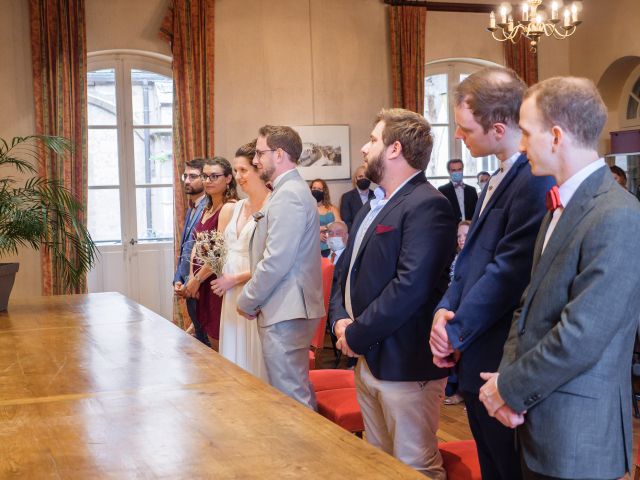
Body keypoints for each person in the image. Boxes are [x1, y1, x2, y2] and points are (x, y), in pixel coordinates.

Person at [479, 77, 640, 480]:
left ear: (555, 136)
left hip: (578, 437)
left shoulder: (618, 214)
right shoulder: (558, 207)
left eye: (526, 133)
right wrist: (507, 381)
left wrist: (508, 390)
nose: (520, 145)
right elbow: (528, 307)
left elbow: (581, 336)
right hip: (537, 422)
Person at [429, 66, 553, 480]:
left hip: (500, 352)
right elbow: (468, 261)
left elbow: (509, 270)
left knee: (507, 467)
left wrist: (456, 329)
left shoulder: (533, 180)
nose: (459, 137)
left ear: (498, 129)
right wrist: (445, 310)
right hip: (476, 347)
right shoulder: (499, 175)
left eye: (464, 129)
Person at [330, 108, 456, 478]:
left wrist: (356, 333)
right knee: (377, 461)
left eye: (372, 140)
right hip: (368, 356)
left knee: (414, 465)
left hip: (404, 361)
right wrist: (339, 319)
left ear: (395, 148)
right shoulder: (374, 204)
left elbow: (410, 285)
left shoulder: (427, 204)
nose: (364, 149)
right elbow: (344, 270)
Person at [236, 125, 325, 409]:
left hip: (288, 308)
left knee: (291, 398)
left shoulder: (289, 194)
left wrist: (248, 299)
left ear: (279, 154)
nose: (256, 160)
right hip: (284, 306)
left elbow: (277, 259)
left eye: (260, 153)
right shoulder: (285, 190)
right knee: (290, 389)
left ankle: (305, 454)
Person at [213, 141, 270, 381]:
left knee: (254, 356)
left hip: (255, 291)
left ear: (259, 169)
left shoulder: (272, 206)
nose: (238, 177)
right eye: (235, 171)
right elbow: (222, 248)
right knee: (233, 359)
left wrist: (234, 279)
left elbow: (271, 259)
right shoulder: (233, 208)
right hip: (230, 293)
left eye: (243, 170)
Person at [183, 157, 237, 352]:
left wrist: (197, 279)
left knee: (217, 343)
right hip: (201, 280)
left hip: (215, 281)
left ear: (229, 178)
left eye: (215, 176)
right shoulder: (207, 207)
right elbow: (197, 246)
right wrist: (191, 277)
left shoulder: (228, 207)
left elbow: (218, 252)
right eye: (205, 176)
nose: (208, 180)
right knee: (203, 339)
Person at [173, 158, 210, 346]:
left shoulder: (208, 209)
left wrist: (193, 282)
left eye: (193, 176)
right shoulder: (192, 209)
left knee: (206, 343)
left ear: (205, 179)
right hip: (188, 283)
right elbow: (186, 249)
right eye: (185, 176)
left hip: (201, 286)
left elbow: (207, 253)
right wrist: (178, 279)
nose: (187, 181)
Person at [310, 178, 341, 257]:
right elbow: (303, 229)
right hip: (314, 250)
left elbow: (340, 226)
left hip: (332, 248)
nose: (316, 191)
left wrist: (326, 229)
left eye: (319, 189)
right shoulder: (306, 209)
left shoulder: (332, 208)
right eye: (314, 188)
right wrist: (316, 235)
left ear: (324, 192)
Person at [340, 165, 375, 230]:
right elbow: (346, 221)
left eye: (366, 176)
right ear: (356, 179)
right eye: (360, 176)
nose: (363, 179)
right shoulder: (347, 197)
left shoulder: (376, 196)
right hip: (354, 234)